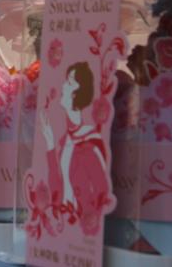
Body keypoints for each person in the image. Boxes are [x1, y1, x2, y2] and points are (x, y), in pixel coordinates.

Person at [40, 61, 110, 236]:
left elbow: (101, 193)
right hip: (63, 230)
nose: (63, 86)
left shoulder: (89, 144)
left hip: (80, 234)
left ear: (77, 93)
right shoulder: (66, 140)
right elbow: (58, 189)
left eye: (69, 82)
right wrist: (50, 144)